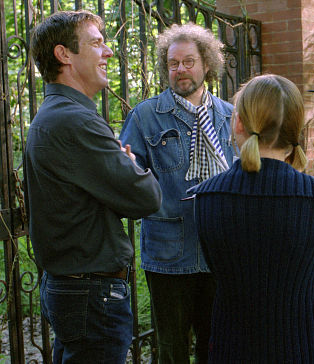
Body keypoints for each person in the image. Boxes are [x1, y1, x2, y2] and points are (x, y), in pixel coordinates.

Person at [25, 10, 162, 363]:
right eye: (97, 43)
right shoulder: (75, 121)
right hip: (91, 295)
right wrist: (131, 165)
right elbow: (147, 198)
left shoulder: (56, 115)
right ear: (63, 55)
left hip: (78, 289)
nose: (109, 52)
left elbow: (104, 199)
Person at [191, 74, 314, 363]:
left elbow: (219, 274)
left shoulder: (207, 197)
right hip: (307, 348)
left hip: (233, 349)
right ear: (295, 129)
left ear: (238, 122)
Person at [119, 23, 234, 363]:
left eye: (188, 61)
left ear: (207, 64)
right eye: (173, 63)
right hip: (169, 257)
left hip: (220, 254)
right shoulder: (144, 117)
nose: (180, 69)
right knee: (171, 351)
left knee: (218, 347)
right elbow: (129, 182)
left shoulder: (229, 116)